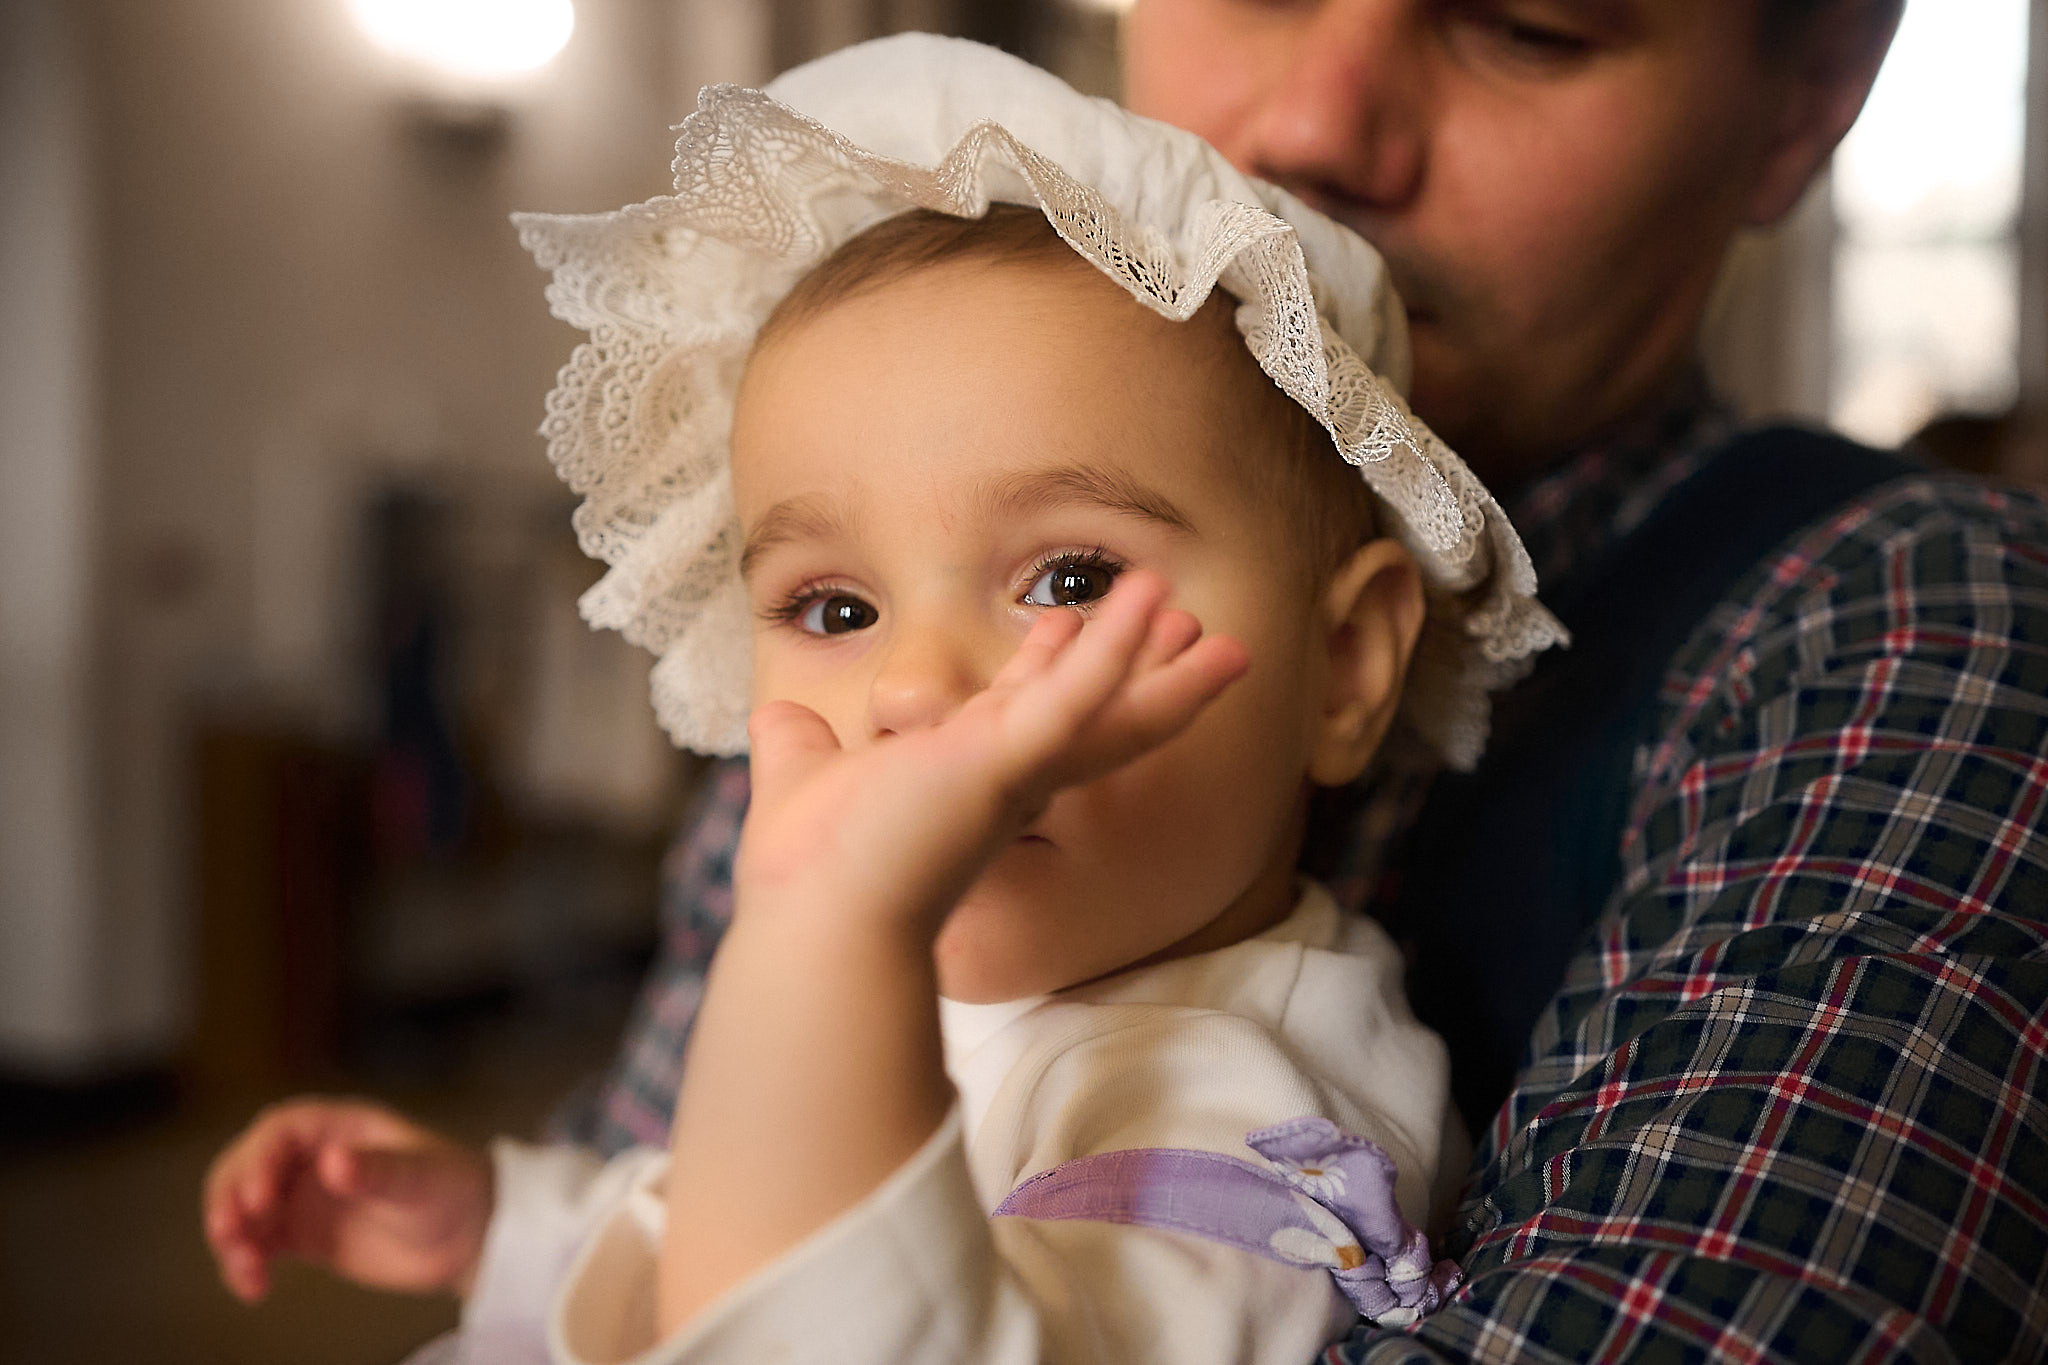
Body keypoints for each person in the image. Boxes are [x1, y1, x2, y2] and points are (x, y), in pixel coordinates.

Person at [208, 0, 2048, 1358]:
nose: (1321, 114)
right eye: (830, 604)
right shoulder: (907, 716)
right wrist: (516, 1230)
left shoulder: (1223, 1109)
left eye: (1530, 21)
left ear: (1808, 92)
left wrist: (819, 943)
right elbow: (683, 1204)